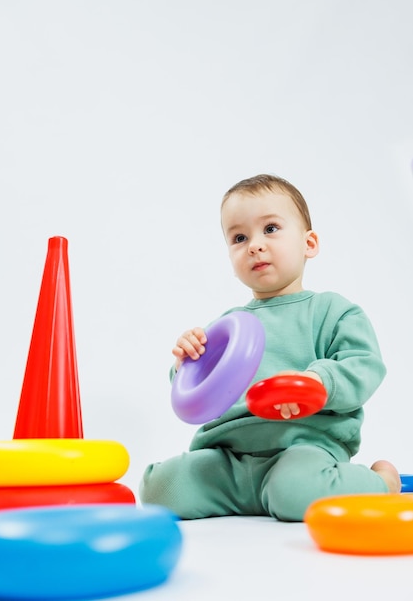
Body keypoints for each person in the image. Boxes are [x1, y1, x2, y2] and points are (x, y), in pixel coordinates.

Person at [139, 173, 400, 521]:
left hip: (302, 448)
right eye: (239, 237)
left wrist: (317, 380)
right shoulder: (226, 326)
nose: (254, 245)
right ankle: (252, 495)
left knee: (294, 490)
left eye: (271, 229)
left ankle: (381, 482)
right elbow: (197, 397)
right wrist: (185, 363)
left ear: (309, 243)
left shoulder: (333, 312)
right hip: (228, 459)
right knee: (159, 489)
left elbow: (364, 365)